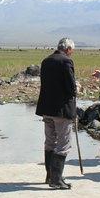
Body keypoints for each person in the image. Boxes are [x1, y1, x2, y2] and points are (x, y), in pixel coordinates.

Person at [35, 38, 77, 189]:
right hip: (62, 109)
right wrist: (76, 89)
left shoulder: (47, 60)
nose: (71, 53)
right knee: (63, 143)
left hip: (47, 108)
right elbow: (71, 87)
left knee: (50, 141)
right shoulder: (66, 62)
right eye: (72, 50)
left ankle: (50, 175)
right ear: (68, 49)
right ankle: (56, 179)